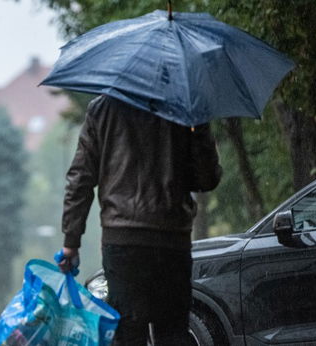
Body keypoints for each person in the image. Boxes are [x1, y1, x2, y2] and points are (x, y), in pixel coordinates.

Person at [58, 95, 221, 345]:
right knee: (173, 332)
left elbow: (81, 179)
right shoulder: (184, 107)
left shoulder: (102, 109)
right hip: (172, 240)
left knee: (127, 333)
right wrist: (199, 127)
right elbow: (207, 179)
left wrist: (71, 241)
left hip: (123, 241)